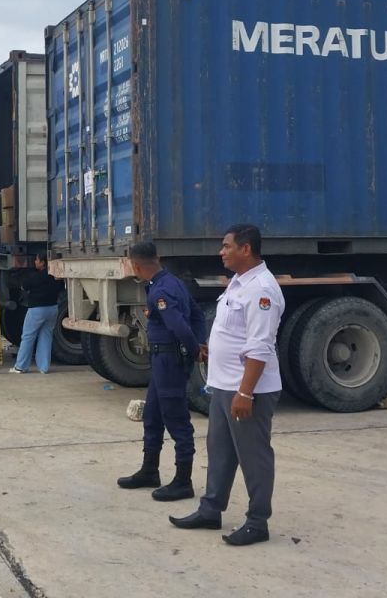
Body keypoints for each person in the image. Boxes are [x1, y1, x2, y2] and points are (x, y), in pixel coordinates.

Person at [171, 224, 283, 545]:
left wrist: (245, 392)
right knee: (219, 451)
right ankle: (211, 509)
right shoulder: (237, 282)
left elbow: (260, 346)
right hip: (223, 386)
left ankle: (258, 521)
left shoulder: (261, 288)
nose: (221, 252)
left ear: (245, 249)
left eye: (226, 246)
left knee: (253, 455)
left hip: (248, 390)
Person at [117, 242, 202, 502]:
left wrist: (193, 351)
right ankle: (149, 470)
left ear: (136, 265)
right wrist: (199, 343)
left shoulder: (161, 291)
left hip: (168, 359)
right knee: (153, 415)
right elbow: (198, 316)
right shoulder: (172, 282)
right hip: (162, 359)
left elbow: (178, 326)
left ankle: (182, 481)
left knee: (176, 418)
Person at [9, 253, 62, 374]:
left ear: (43, 262)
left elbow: (24, 287)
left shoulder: (34, 277)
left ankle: (21, 366)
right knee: (46, 336)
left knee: (28, 336)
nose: (35, 262)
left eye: (37, 260)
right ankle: (44, 367)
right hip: (53, 309)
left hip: (37, 310)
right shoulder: (55, 277)